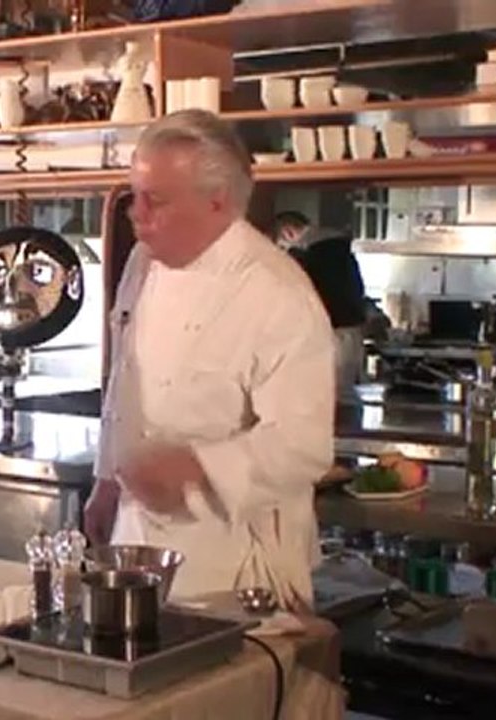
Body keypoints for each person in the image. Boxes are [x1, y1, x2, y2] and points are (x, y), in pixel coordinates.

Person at [84, 110, 335, 611]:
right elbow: (125, 377)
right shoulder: (143, 262)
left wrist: (197, 468)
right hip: (136, 538)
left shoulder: (276, 293)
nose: (137, 214)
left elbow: (304, 446)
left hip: (234, 561)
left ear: (217, 201)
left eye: (156, 201)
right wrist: (106, 478)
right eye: (135, 195)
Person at [273, 210, 368, 397]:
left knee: (322, 398)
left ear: (288, 232)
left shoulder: (306, 257)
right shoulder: (342, 253)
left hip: (327, 336)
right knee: (346, 398)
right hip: (351, 334)